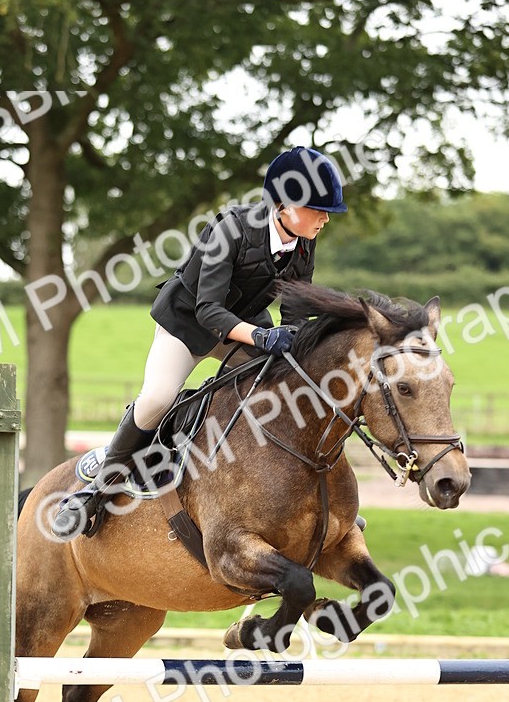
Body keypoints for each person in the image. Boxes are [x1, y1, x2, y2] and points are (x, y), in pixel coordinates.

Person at [53, 145, 347, 539]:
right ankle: (95, 491)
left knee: (289, 381)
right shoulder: (229, 230)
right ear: (285, 204)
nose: (326, 219)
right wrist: (261, 335)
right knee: (158, 398)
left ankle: (302, 494)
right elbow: (209, 310)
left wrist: (300, 338)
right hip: (188, 324)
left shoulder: (303, 242)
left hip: (241, 325)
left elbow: (294, 312)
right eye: (318, 209)